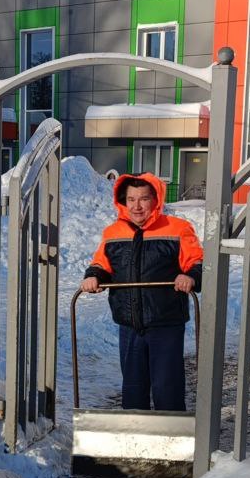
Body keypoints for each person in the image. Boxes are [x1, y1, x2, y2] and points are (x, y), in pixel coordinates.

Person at [81, 173, 203, 410]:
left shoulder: (178, 229)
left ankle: (171, 430)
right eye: (131, 199)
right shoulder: (113, 233)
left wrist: (190, 276)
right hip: (129, 326)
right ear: (123, 201)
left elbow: (196, 262)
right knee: (133, 389)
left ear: (155, 200)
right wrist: (93, 276)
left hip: (166, 323)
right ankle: (133, 431)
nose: (137, 206)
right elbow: (101, 264)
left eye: (144, 199)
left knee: (167, 387)